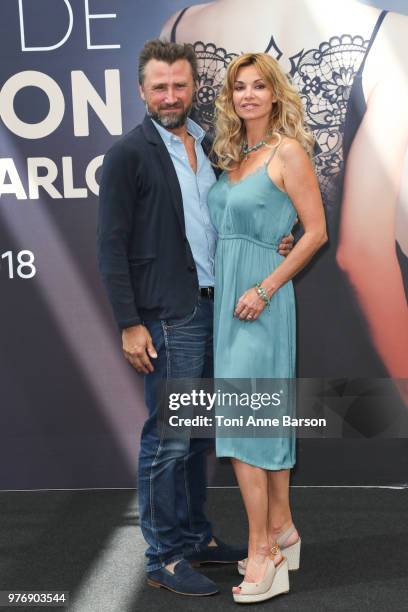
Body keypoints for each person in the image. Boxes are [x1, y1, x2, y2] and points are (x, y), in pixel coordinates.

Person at [97, 39, 293, 597]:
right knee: (168, 439)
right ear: (142, 91)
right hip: (167, 317)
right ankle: (163, 556)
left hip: (217, 309)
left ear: (194, 89)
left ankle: (195, 537)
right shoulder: (128, 154)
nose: (170, 95)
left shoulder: (210, 146)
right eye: (159, 86)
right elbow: (110, 247)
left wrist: (275, 239)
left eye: (180, 85)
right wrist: (129, 323)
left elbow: (236, 214)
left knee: (199, 437)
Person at [162, 0, 408, 386]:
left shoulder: (178, 29)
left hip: (227, 311)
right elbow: (362, 254)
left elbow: (175, 201)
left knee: (242, 442)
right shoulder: (391, 33)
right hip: (348, 347)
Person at [207, 52, 327, 603]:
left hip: (261, 301)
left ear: (275, 94)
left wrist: (265, 287)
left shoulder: (287, 151)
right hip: (230, 302)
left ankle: (263, 551)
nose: (248, 95)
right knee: (256, 421)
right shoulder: (234, 156)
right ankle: (283, 526)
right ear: (231, 98)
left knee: (246, 429)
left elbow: (315, 232)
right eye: (239, 87)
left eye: (258, 86)